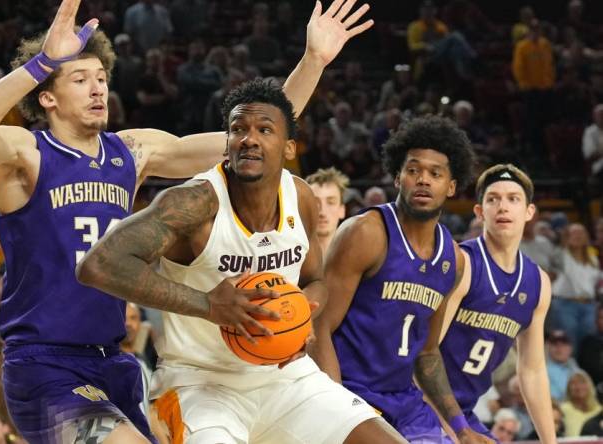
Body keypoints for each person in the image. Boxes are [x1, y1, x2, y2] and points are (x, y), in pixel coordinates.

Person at [0, 0, 373, 441]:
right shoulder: (26, 154)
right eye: (80, 79)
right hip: (44, 363)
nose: (97, 90)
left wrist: (313, 61)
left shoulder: (132, 151)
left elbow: (255, 138)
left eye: (101, 79)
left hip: (115, 360)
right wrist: (42, 63)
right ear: (47, 97)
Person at [80, 78, 405, 443]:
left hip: (286, 377)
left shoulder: (300, 197)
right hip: (198, 385)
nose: (248, 138)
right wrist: (206, 304)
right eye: (238, 129)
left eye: (264, 129)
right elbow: (98, 264)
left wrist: (301, 313)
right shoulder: (193, 203)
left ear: (289, 147)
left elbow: (316, 279)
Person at [310, 116, 491, 443]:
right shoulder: (365, 233)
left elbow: (427, 353)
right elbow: (319, 325)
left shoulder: (453, 259)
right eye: (413, 170)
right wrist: (337, 408)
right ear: (397, 178)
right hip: (351, 391)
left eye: (435, 173)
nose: (423, 180)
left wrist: (462, 428)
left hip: (405, 403)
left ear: (451, 186)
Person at [437, 164, 556, 442]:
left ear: (529, 212)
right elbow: (422, 356)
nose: (503, 207)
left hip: (464, 410)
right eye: (493, 199)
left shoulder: (538, 283)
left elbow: (533, 370)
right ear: (480, 212)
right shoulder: (462, 263)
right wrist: (454, 431)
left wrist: (551, 442)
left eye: (513, 199)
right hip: (421, 403)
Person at [306, 167, 348, 258]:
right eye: (315, 203)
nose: (322, 212)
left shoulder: (357, 257)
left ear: (342, 210)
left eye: (331, 202)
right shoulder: (289, 259)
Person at [560, 370, 602, 437]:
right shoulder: (563, 409)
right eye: (573, 383)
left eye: (582, 382)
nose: (578, 387)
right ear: (568, 388)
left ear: (590, 385)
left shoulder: (599, 409)